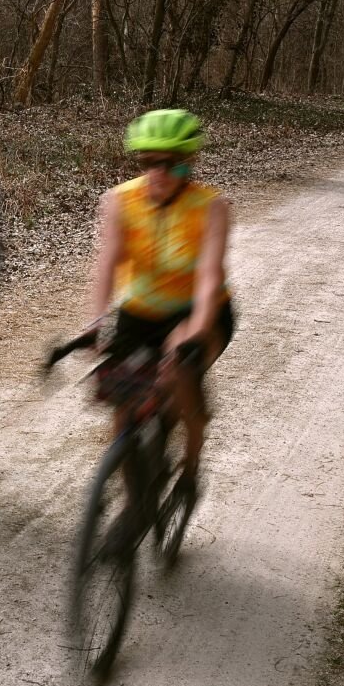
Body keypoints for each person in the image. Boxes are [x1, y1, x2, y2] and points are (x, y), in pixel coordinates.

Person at [81, 108, 232, 505]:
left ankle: (191, 468)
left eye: (170, 164)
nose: (158, 173)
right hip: (140, 311)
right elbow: (108, 263)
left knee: (179, 372)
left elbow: (208, 278)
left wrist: (194, 333)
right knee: (123, 404)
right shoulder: (119, 200)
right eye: (148, 163)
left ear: (188, 164)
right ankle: (135, 503)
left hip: (199, 312)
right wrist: (96, 321)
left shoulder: (212, 207)